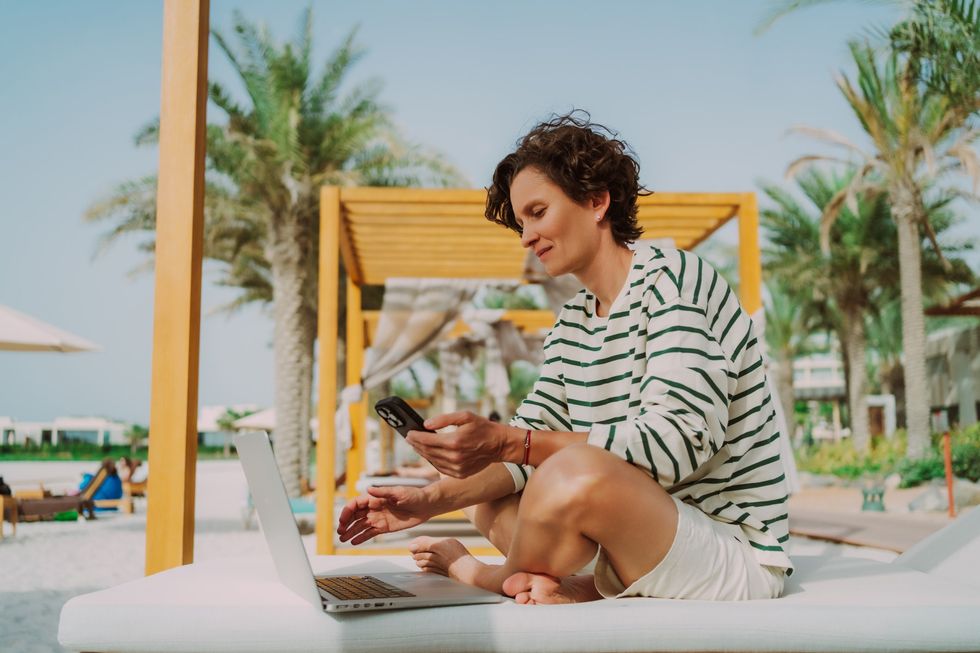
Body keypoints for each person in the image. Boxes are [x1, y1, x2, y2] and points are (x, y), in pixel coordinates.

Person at [338, 112, 792, 605]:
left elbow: (674, 444)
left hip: (727, 554)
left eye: (538, 212)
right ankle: (572, 584)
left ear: (597, 201)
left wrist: (512, 442)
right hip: (638, 542)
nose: (527, 236)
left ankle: (486, 575)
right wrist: (428, 501)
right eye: (520, 223)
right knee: (480, 486)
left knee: (573, 469)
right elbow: (525, 447)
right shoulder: (573, 321)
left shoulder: (672, 279)